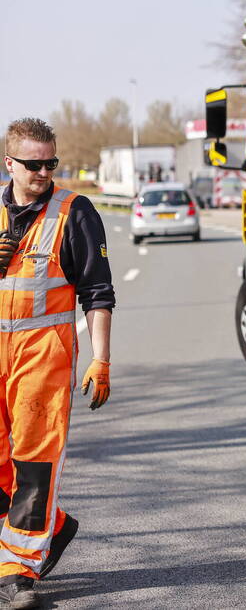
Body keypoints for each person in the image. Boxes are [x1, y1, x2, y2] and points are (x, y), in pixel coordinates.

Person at [0, 118, 114, 609]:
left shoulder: (75, 212)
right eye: (33, 164)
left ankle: (20, 572)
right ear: (10, 163)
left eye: (51, 162)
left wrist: (101, 358)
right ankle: (57, 525)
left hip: (42, 358)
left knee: (33, 465)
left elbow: (98, 292)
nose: (44, 171)